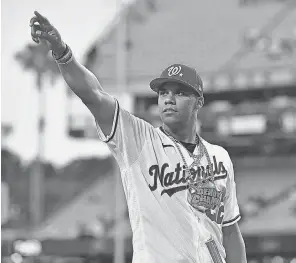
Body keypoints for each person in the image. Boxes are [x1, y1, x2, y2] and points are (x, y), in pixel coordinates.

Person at [30, 11, 247, 263]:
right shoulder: (139, 139)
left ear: (198, 101)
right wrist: (61, 52)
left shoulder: (220, 157)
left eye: (180, 92)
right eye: (163, 92)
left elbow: (230, 231)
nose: (169, 98)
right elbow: (93, 94)